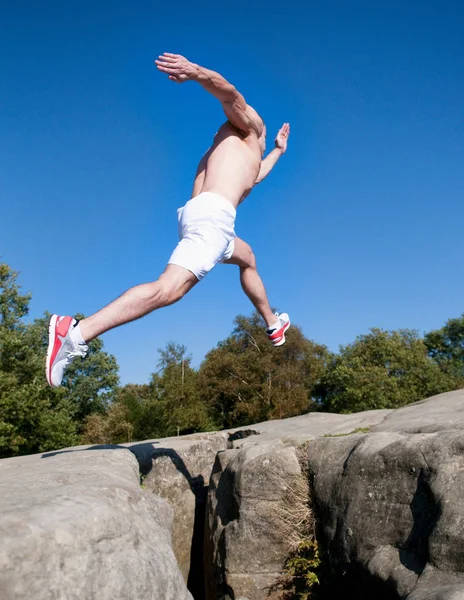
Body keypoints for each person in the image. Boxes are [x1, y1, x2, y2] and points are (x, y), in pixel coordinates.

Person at [46, 53, 291, 388]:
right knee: (168, 289)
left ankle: (272, 322)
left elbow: (257, 175)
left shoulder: (241, 156)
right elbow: (230, 94)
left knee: (247, 258)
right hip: (212, 219)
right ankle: (74, 333)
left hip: (204, 216)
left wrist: (279, 150)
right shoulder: (250, 129)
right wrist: (196, 72)